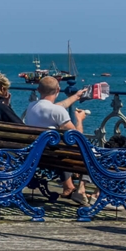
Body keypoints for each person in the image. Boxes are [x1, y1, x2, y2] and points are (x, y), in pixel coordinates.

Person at [23, 75, 90, 203]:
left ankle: (71, 187)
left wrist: (76, 96)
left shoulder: (31, 106)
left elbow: (56, 107)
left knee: (64, 149)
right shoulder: (57, 111)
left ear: (38, 90)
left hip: (39, 155)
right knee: (91, 153)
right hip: (54, 156)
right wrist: (79, 120)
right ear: (58, 90)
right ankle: (81, 189)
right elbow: (77, 138)